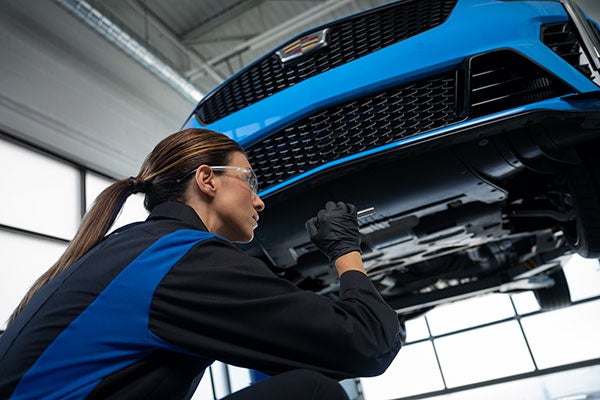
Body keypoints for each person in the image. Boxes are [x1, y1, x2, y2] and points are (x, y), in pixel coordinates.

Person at [0, 128, 402, 399]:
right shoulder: (179, 258)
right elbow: (367, 343)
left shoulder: (133, 248)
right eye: (250, 180)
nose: (259, 200)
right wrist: (345, 249)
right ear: (207, 179)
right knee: (311, 393)